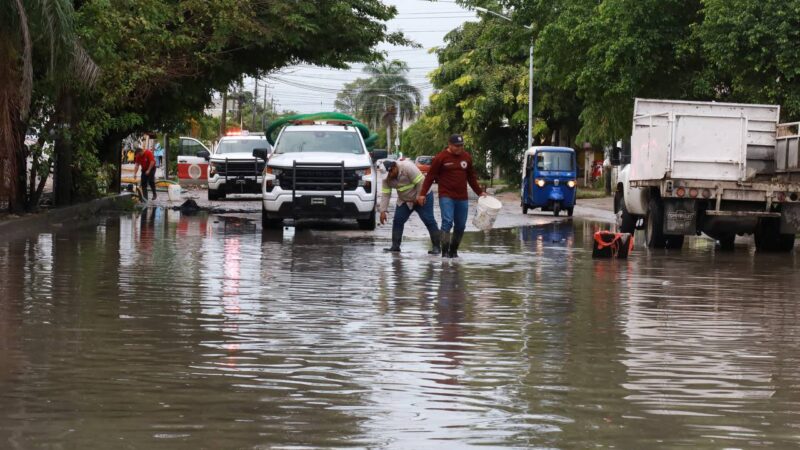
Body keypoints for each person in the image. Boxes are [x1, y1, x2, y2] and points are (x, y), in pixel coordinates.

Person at [418, 134, 486, 258]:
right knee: (447, 222)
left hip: (462, 197)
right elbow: (430, 177)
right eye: (457, 146)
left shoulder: (466, 157)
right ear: (449, 145)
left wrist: (480, 192)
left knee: (460, 225)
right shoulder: (441, 157)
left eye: (461, 146)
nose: (459, 148)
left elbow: (471, 177)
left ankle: (453, 251)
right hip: (446, 195)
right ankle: (444, 253)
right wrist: (422, 194)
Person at [379, 159, 440, 254]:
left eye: (389, 174)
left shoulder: (407, 167)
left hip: (422, 196)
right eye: (387, 176)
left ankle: (437, 247)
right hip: (405, 200)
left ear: (393, 168)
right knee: (398, 221)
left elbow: (421, 182)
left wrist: (418, 197)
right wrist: (383, 211)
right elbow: (386, 194)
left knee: (429, 220)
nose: (389, 177)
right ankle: (395, 246)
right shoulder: (386, 179)